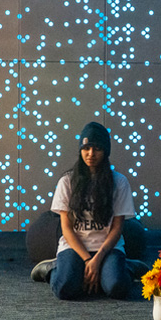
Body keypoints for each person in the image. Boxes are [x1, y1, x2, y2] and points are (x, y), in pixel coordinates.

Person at [32, 121, 136, 300]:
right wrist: (88, 260)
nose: (91, 154)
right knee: (65, 288)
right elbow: (66, 228)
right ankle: (51, 269)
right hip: (74, 247)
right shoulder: (67, 181)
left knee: (116, 288)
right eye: (86, 148)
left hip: (107, 248)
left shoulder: (119, 182)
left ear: (106, 151)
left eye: (97, 149)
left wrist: (98, 258)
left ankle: (127, 266)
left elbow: (117, 228)